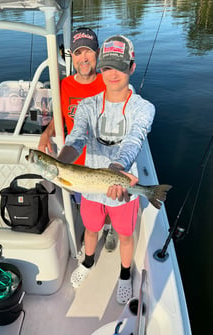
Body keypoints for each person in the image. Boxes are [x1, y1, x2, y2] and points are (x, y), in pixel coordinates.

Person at [57, 35, 155, 304]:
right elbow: (76, 138)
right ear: (101, 68)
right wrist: (60, 162)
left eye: (120, 67)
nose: (113, 74)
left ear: (131, 67)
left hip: (123, 186)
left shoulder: (144, 108)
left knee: (124, 235)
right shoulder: (88, 105)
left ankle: (125, 275)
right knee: (90, 229)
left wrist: (117, 169)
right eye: (107, 67)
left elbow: (135, 138)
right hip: (91, 189)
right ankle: (87, 263)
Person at [38, 27, 115, 250]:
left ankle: (109, 229)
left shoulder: (108, 83)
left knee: (108, 202)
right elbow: (59, 118)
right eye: (78, 53)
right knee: (85, 203)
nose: (84, 58)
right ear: (72, 56)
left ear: (97, 53)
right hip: (76, 162)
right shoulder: (64, 85)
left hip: (104, 160)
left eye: (88, 52)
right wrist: (46, 133)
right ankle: (92, 230)